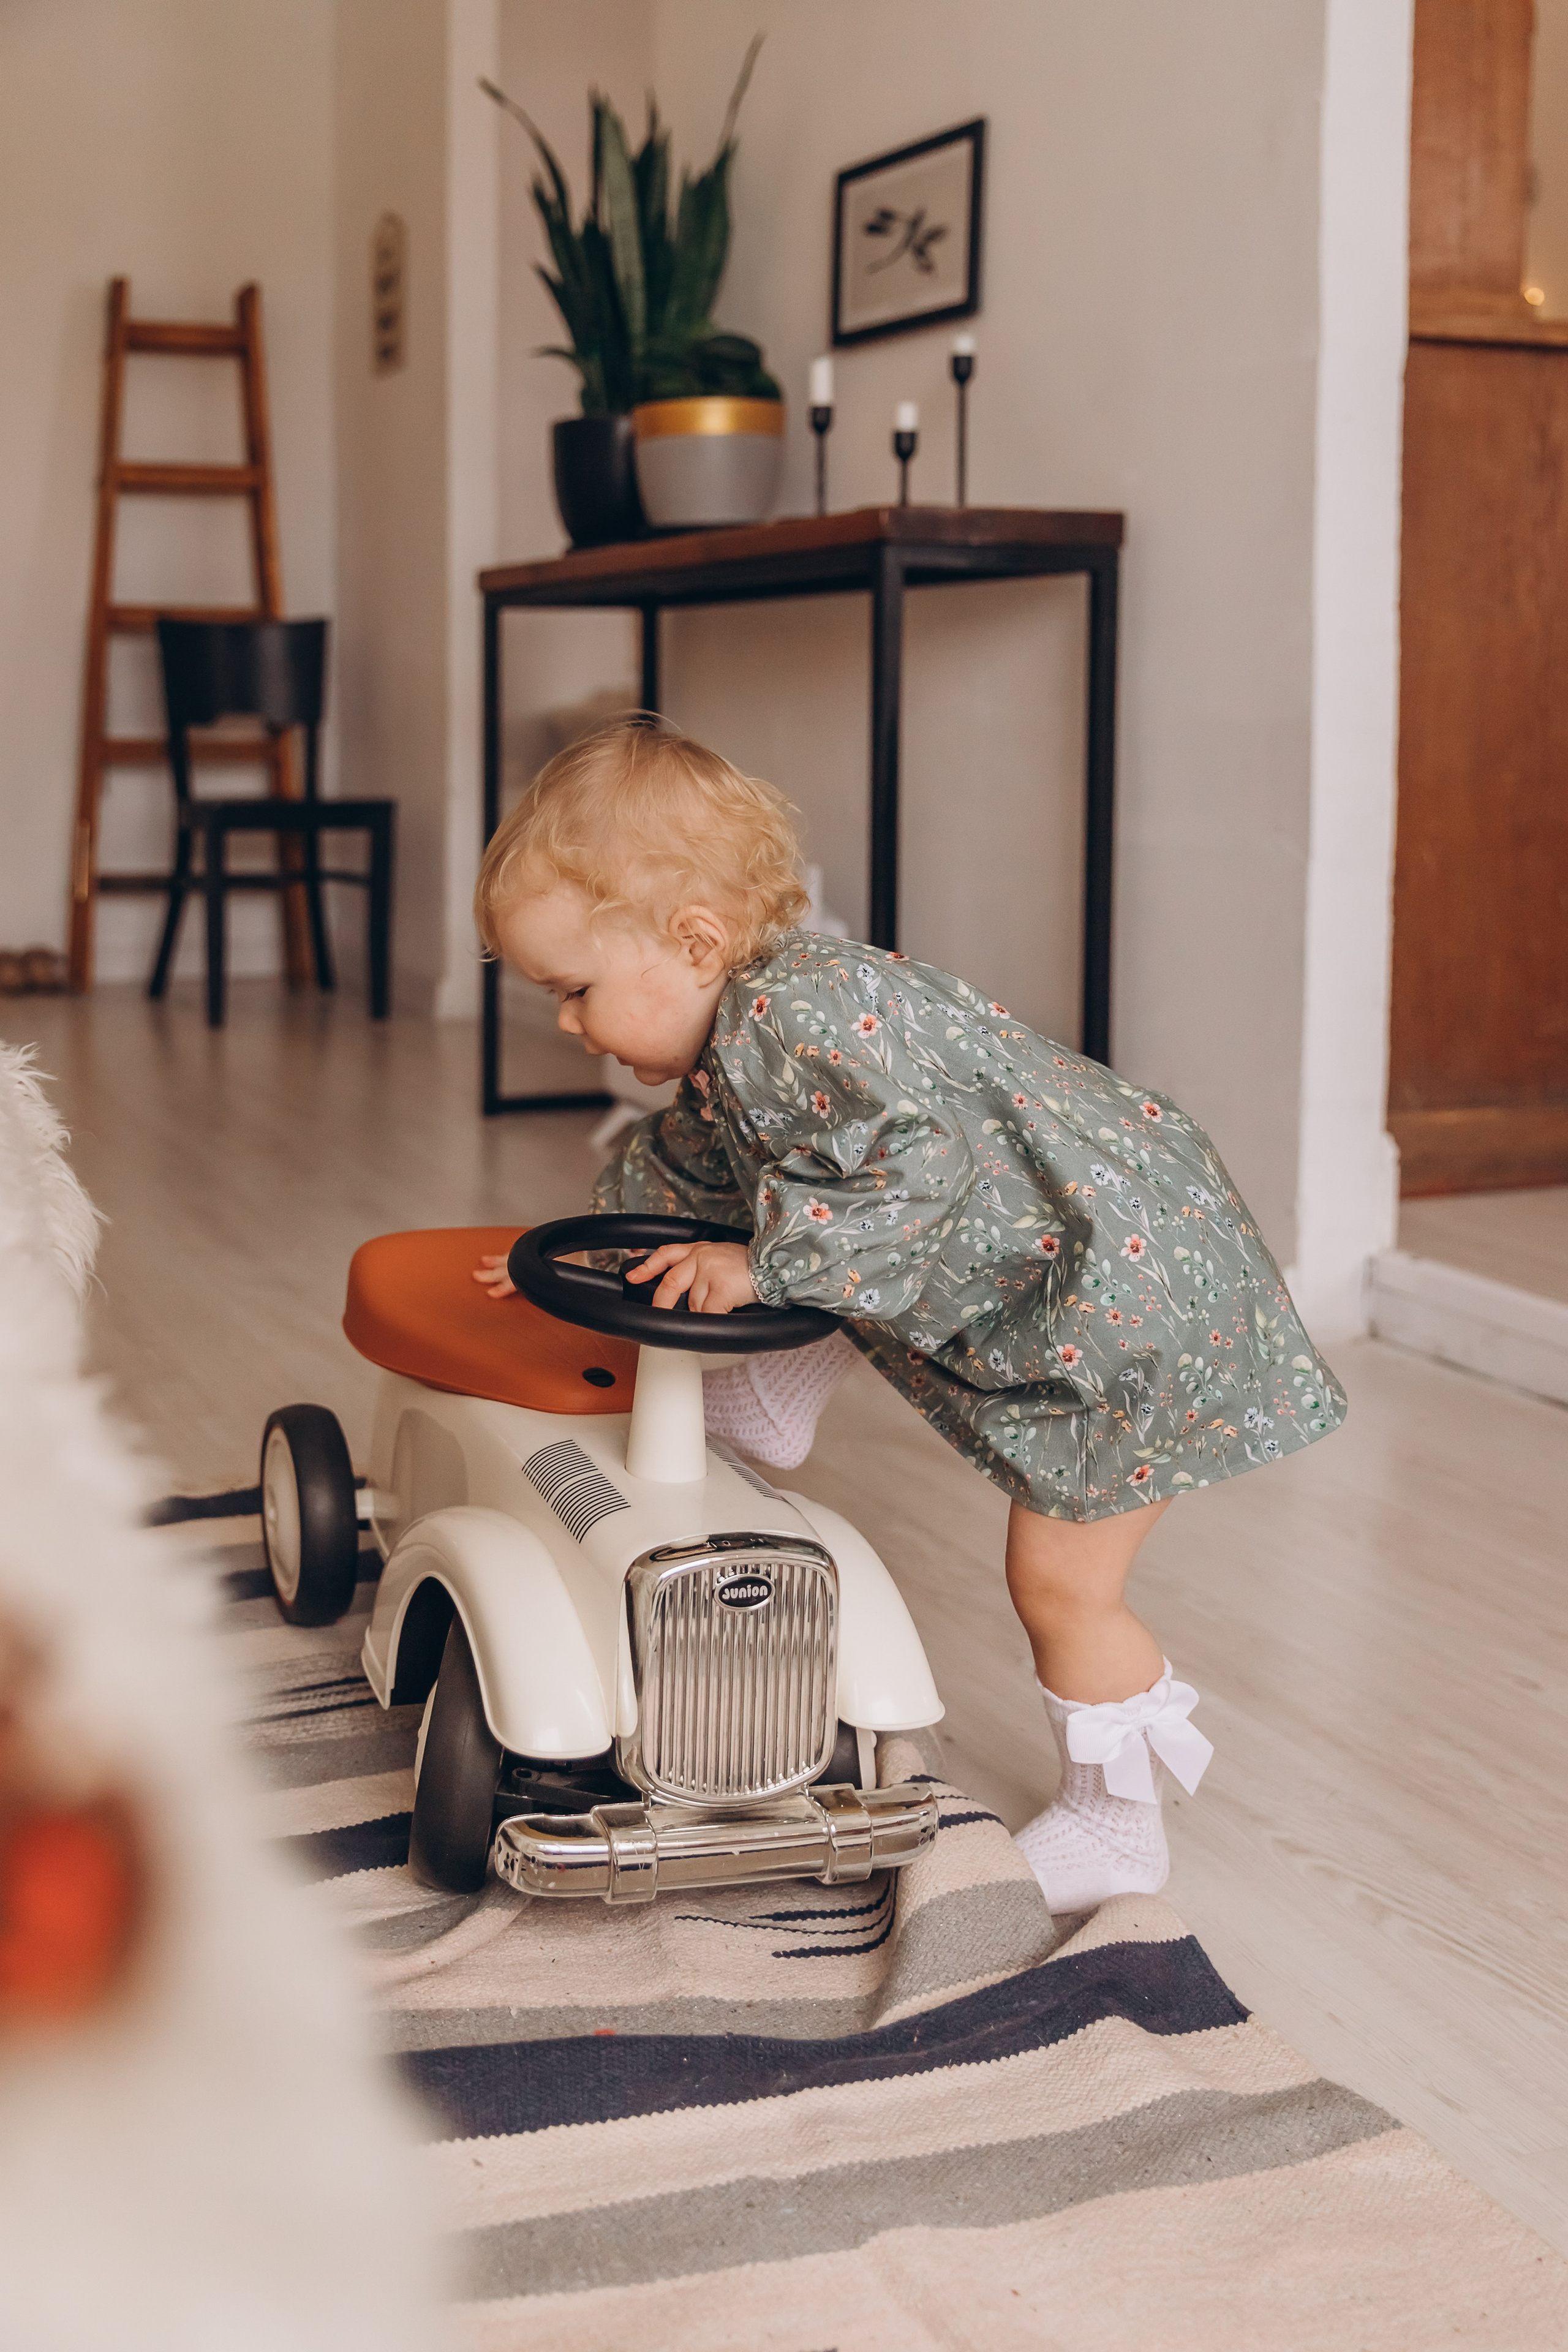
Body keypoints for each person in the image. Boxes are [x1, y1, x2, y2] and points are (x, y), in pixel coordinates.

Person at [470, 717, 1347, 1913]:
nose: (567, 1023)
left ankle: (1116, 1826)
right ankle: (777, 1389)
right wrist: (589, 1251)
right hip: (1098, 1259)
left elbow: (916, 1181)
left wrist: (758, 1267)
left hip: (1134, 1305)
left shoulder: (797, 1020)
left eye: (574, 991)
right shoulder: (738, 1037)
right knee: (793, 1230)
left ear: (692, 941)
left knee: (1062, 1585)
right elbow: (688, 1170)